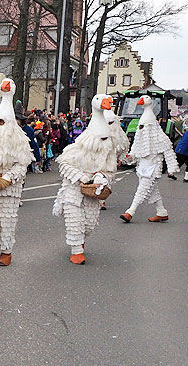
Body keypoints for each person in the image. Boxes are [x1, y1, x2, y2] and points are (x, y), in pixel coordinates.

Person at [53, 95, 118, 265]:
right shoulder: (77, 148)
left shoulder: (108, 152)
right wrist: (81, 177)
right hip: (73, 189)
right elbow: (64, 164)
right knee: (74, 219)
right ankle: (76, 250)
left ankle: (80, 240)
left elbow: (110, 171)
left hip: (93, 191)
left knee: (89, 224)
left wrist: (101, 177)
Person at [0, 79, 34, 266]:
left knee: (8, 221)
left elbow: (23, 163)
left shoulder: (20, 141)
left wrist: (8, 178)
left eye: (4, 121)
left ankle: (6, 251)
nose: (1, 125)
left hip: (10, 187)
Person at [120, 95, 179, 223]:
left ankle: (130, 212)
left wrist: (171, 168)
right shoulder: (139, 135)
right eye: (141, 127)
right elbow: (136, 146)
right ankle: (161, 212)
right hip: (142, 165)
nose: (142, 130)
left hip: (154, 165)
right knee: (152, 190)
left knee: (142, 188)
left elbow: (168, 150)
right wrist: (131, 155)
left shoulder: (160, 137)